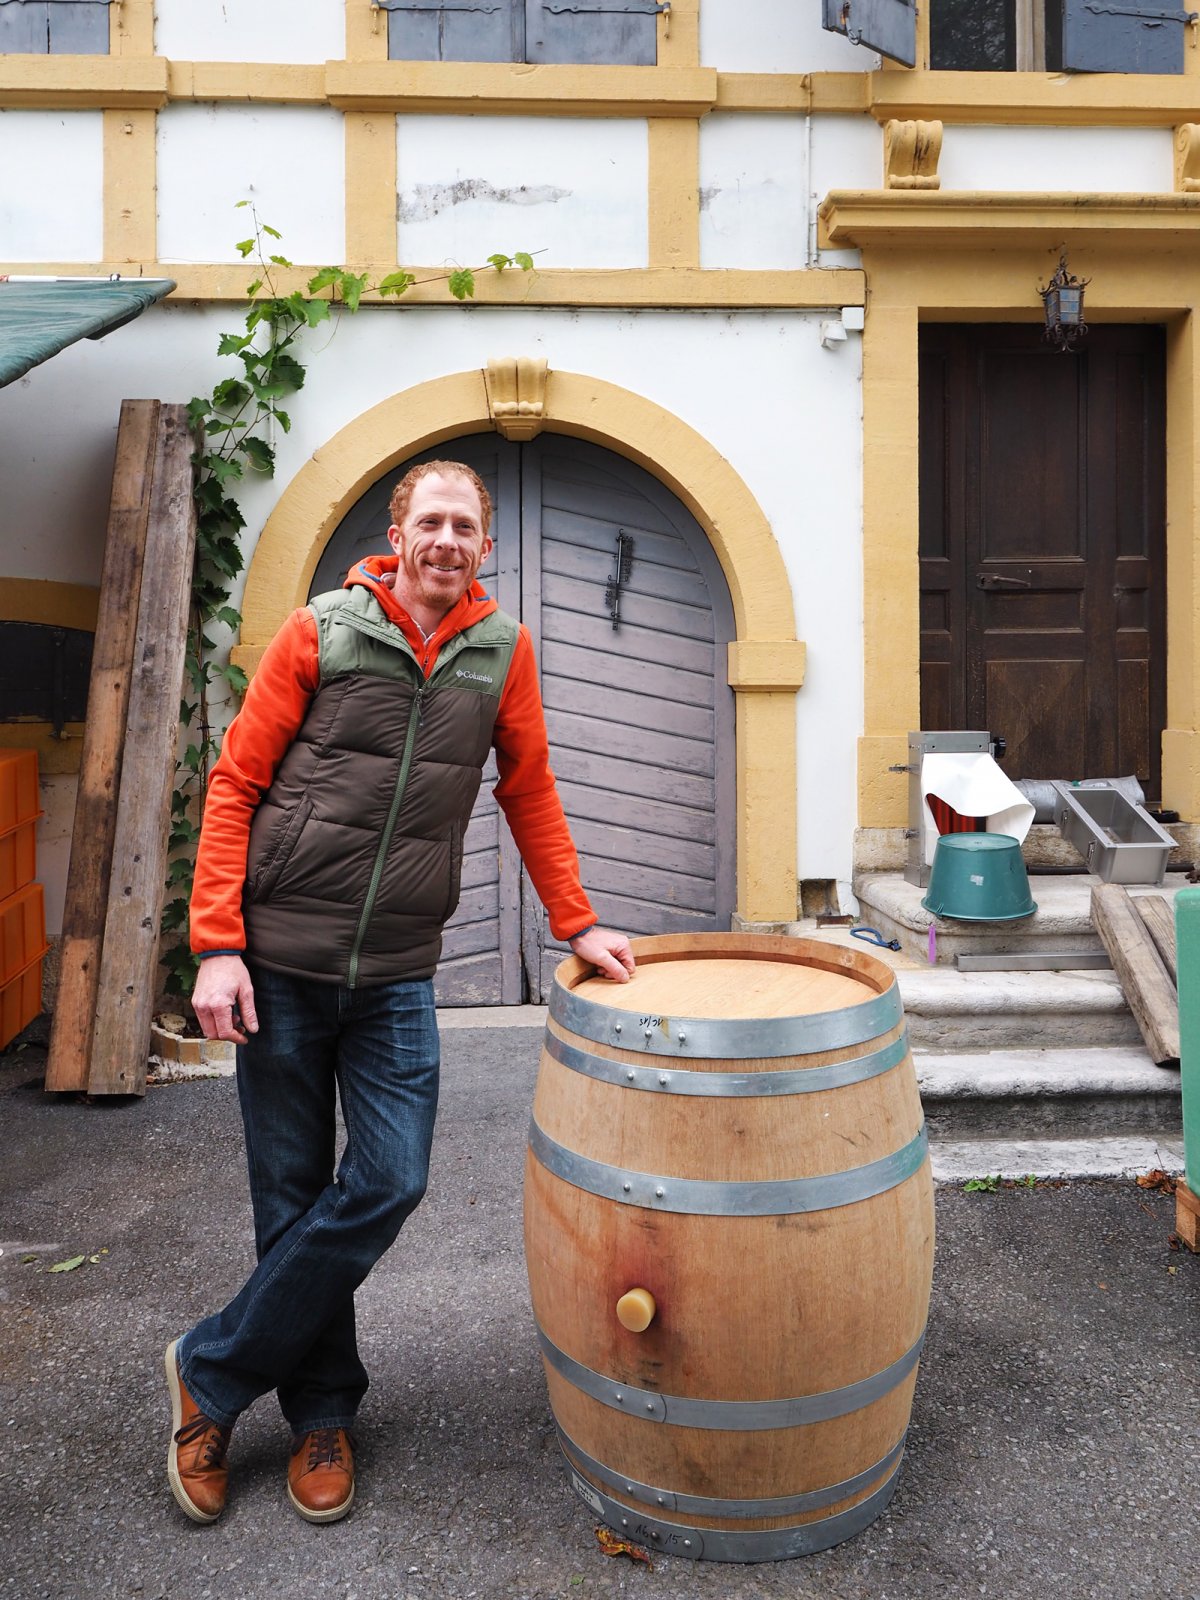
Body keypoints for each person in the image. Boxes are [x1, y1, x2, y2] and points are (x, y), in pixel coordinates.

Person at [166, 459, 634, 1526]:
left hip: (394, 976)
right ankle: (322, 1412)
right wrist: (217, 945)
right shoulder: (322, 632)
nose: (446, 539)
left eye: (465, 525)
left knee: (388, 1179)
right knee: (289, 1198)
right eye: (430, 520)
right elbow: (237, 782)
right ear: (396, 532)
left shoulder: (499, 652)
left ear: (486, 545)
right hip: (278, 963)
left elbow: (531, 787)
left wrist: (578, 920)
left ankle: (212, 1369)